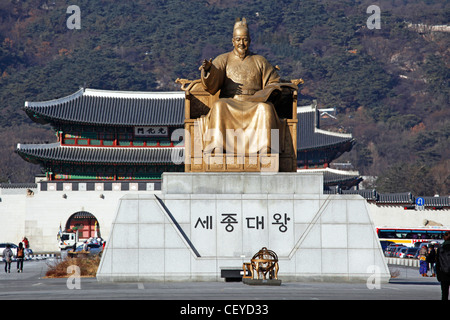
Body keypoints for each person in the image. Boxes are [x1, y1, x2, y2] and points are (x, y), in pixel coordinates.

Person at [198, 18, 297, 156]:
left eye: (244, 39)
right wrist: (209, 70)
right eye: (238, 39)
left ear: (249, 41)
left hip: (255, 102)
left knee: (266, 108)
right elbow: (212, 86)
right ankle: (217, 146)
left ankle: (265, 147)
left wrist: (272, 89)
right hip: (230, 101)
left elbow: (273, 81)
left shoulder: (260, 61)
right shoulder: (223, 59)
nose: (241, 43)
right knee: (219, 106)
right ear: (233, 41)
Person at [436, 231, 450, 300]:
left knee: (444, 294)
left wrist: (438, 275)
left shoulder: (440, 249)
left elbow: (438, 264)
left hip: (443, 274)